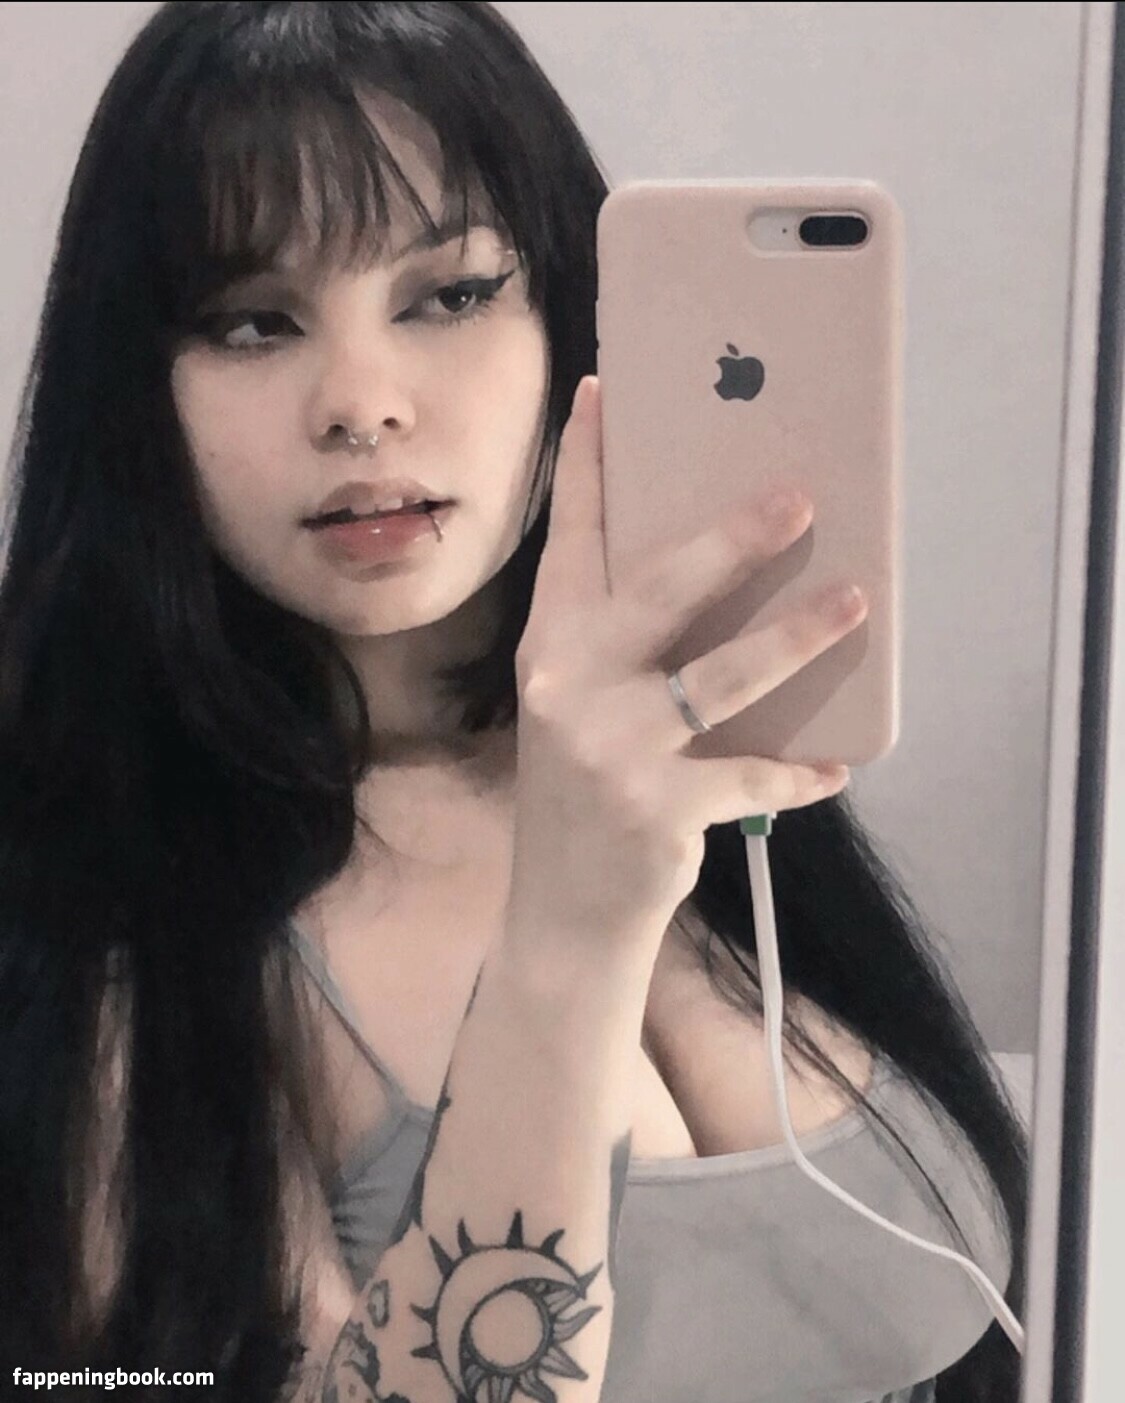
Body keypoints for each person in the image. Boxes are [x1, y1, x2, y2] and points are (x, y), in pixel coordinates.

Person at [0, 4, 1027, 1401]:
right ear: (138, 390)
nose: (360, 404)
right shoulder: (108, 934)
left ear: (568, 314)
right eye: (254, 322)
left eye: (449, 295)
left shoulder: (709, 775)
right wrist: (567, 934)